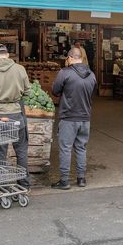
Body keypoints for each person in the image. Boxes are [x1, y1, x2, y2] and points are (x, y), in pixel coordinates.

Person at [0, 44, 33, 188]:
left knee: (1, 153)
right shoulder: (20, 69)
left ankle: (2, 185)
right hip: (17, 115)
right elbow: (28, 92)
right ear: (8, 55)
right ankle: (23, 184)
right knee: (21, 151)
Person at [50, 47, 97, 190]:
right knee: (81, 148)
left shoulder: (65, 73)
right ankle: (81, 179)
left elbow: (55, 91)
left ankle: (64, 181)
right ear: (81, 58)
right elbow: (92, 92)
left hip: (69, 117)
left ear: (70, 58)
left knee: (65, 149)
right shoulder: (92, 75)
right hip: (85, 118)